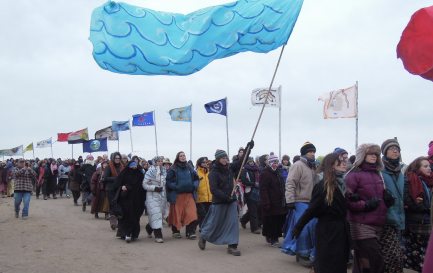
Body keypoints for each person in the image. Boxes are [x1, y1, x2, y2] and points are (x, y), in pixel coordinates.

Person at [292, 153, 350, 273]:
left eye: (345, 160)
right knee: (327, 265)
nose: (344, 163)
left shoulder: (343, 184)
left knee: (339, 264)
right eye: (340, 161)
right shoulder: (323, 186)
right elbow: (312, 210)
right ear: (331, 165)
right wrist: (298, 227)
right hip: (328, 232)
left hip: (341, 230)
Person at [345, 143, 388, 273]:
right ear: (362, 155)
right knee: (374, 261)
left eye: (376, 154)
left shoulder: (378, 174)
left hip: (378, 223)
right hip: (361, 224)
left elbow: (380, 199)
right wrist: (365, 205)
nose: (374, 156)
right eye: (370, 153)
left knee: (364, 262)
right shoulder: (353, 175)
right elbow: (347, 200)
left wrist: (388, 202)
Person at [281, 142, 318, 266]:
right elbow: (290, 183)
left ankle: (309, 252)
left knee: (313, 227)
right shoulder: (298, 165)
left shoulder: (313, 167)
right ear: (304, 153)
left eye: (313, 152)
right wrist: (290, 200)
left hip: (311, 202)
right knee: (303, 228)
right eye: (310, 152)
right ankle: (302, 254)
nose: (312, 154)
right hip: (299, 201)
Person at [198, 150, 241, 256]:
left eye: (226, 158)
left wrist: (248, 149)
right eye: (223, 158)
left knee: (233, 223)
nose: (225, 160)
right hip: (219, 201)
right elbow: (214, 190)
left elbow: (241, 162)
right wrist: (226, 197)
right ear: (218, 159)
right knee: (214, 223)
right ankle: (204, 236)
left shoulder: (230, 168)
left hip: (231, 201)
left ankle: (232, 246)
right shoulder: (213, 173)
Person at [379, 139, 405, 273]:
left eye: (397, 149)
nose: (396, 151)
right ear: (384, 152)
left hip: (399, 219)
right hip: (386, 219)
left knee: (397, 255)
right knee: (392, 256)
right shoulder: (380, 171)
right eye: (391, 148)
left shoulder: (400, 172)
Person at [403, 156, 433, 272]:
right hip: (415, 224)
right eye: (425, 166)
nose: (429, 169)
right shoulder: (410, 179)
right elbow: (408, 200)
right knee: (415, 259)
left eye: (429, 166)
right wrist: (426, 207)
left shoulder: (428, 182)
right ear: (417, 168)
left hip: (427, 223)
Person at [166, 151, 199, 239]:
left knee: (191, 213)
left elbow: (196, 179)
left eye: (184, 155)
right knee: (177, 214)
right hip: (177, 195)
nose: (183, 157)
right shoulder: (173, 168)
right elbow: (168, 181)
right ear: (178, 157)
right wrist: (176, 187)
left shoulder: (190, 167)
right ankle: (176, 231)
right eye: (181, 156)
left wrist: (194, 185)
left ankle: (190, 232)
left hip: (189, 194)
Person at [260, 154, 287, 247]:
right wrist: (266, 202)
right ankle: (273, 239)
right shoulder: (265, 173)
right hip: (270, 202)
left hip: (279, 201)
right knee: (272, 221)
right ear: (270, 163)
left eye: (276, 162)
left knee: (278, 220)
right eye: (274, 162)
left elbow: (282, 185)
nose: (275, 164)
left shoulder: (278, 172)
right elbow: (263, 189)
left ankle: (272, 236)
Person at [117, 161, 145, 242]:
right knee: (126, 216)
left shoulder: (140, 174)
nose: (133, 167)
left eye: (135, 165)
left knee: (135, 217)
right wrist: (122, 187)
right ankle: (127, 234)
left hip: (137, 199)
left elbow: (142, 186)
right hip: (125, 199)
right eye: (132, 165)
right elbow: (117, 184)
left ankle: (134, 234)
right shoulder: (124, 174)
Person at [143, 156, 167, 243]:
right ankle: (158, 236)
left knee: (160, 215)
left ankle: (149, 227)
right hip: (152, 196)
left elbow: (165, 184)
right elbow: (144, 185)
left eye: (161, 161)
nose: (160, 162)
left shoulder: (164, 171)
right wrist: (154, 188)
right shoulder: (150, 172)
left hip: (162, 197)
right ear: (155, 162)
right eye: (158, 161)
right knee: (156, 214)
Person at [103, 152, 124, 230]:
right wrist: (116, 178)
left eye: (119, 158)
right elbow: (105, 178)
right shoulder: (109, 167)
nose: (117, 160)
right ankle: (113, 222)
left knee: (119, 205)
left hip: (119, 189)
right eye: (116, 158)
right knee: (113, 205)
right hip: (111, 189)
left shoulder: (122, 167)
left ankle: (118, 222)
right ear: (113, 158)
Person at [240, 157, 261, 234]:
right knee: (253, 210)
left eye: (252, 161)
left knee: (256, 209)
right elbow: (244, 181)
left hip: (258, 191)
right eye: (249, 161)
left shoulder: (257, 169)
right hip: (249, 191)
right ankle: (254, 228)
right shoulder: (244, 170)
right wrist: (253, 184)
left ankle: (243, 220)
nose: (251, 162)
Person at [195, 157, 212, 230]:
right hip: (200, 198)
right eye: (204, 162)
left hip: (209, 197)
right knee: (202, 214)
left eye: (206, 162)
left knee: (208, 214)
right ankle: (202, 228)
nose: (205, 164)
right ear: (199, 163)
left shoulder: (209, 173)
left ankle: (205, 227)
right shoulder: (196, 173)